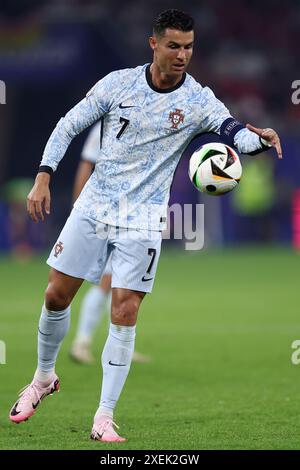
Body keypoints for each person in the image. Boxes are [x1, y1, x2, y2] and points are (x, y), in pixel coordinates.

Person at [9, 9, 282, 442]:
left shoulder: (197, 100)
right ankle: (43, 378)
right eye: (173, 45)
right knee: (56, 294)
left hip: (144, 217)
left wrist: (259, 141)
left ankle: (104, 415)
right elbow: (68, 125)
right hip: (95, 206)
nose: (182, 55)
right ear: (153, 44)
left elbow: (234, 132)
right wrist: (44, 175)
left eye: (189, 47)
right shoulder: (118, 84)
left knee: (126, 311)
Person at [70, 122, 150, 364]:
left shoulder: (149, 123)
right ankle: (81, 342)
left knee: (123, 281)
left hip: (134, 215)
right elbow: (87, 164)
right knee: (107, 281)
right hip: (105, 212)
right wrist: (80, 210)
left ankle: (118, 345)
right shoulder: (106, 124)